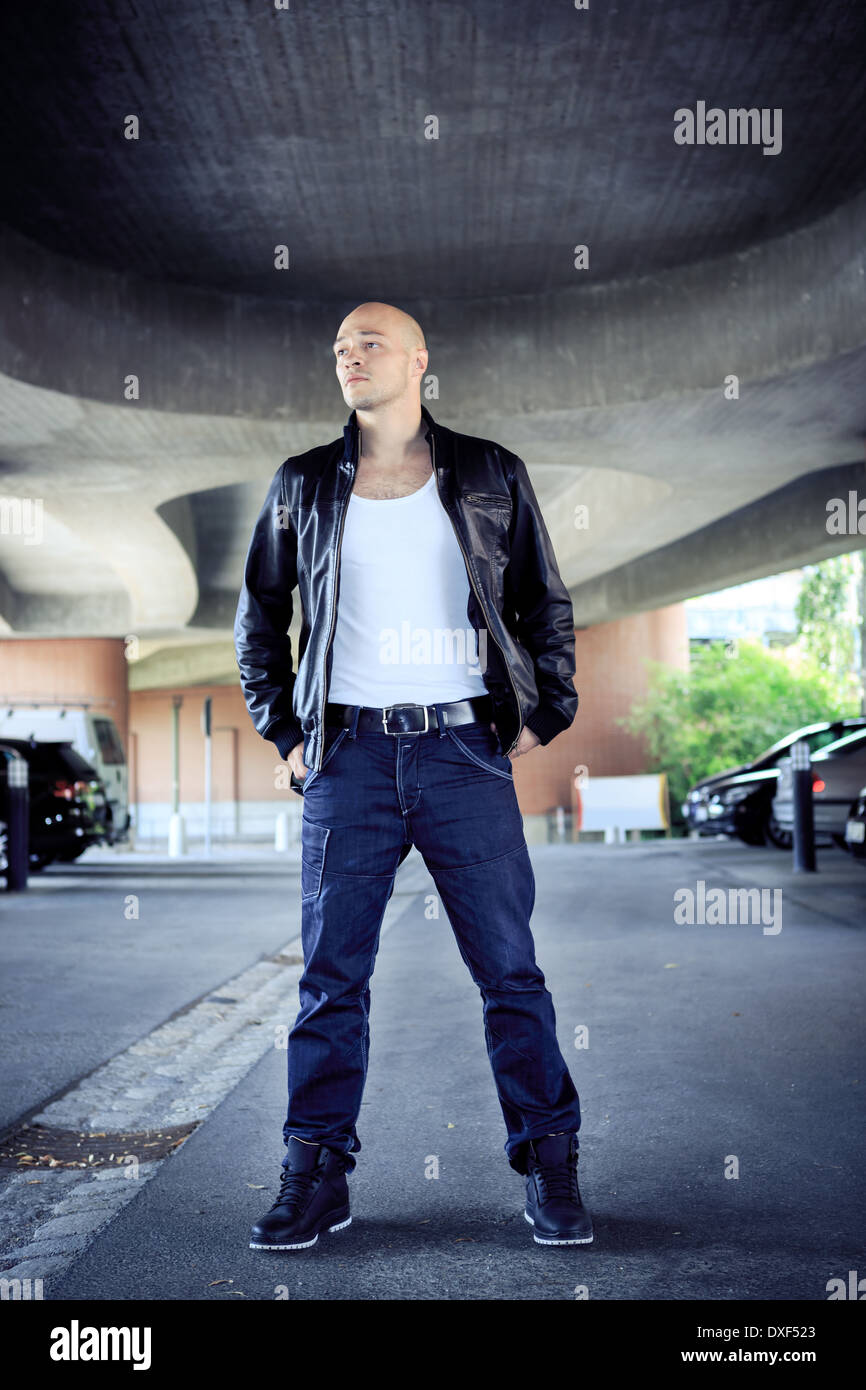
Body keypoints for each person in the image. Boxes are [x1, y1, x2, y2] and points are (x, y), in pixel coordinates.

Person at [234, 301, 592, 1249]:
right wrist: (285, 734)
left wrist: (545, 710)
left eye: (371, 344)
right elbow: (259, 621)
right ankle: (316, 1175)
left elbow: (542, 602)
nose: (350, 358)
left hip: (461, 753)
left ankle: (551, 1162)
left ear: (419, 360)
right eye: (340, 349)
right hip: (346, 759)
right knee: (329, 979)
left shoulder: (486, 471)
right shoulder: (304, 483)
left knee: (509, 972)